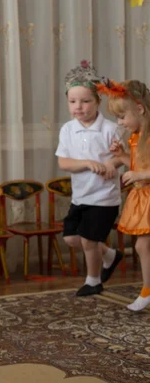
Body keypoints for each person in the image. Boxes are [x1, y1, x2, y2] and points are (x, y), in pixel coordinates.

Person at [55, 60, 122, 297]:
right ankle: (111, 255)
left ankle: (93, 281)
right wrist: (86, 163)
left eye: (85, 101)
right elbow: (64, 162)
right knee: (73, 238)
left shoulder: (111, 129)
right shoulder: (68, 129)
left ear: (98, 102)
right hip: (80, 196)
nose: (78, 107)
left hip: (104, 198)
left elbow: (123, 156)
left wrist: (111, 163)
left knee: (89, 242)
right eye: (73, 102)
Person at [102, 79, 150, 311]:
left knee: (143, 246)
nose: (120, 123)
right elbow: (135, 164)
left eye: (122, 117)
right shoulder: (136, 137)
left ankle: (147, 291)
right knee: (143, 246)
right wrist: (121, 156)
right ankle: (147, 290)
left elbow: (142, 169)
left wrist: (139, 173)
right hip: (143, 197)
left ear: (139, 109)